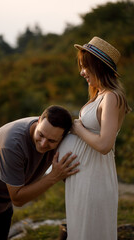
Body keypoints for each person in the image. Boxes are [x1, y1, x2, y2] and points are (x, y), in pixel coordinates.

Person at [57, 36, 131, 240]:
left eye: (85, 67)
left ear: (98, 66)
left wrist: (75, 127)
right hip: (83, 177)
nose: (81, 72)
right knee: (80, 230)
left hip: (94, 179)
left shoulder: (111, 97)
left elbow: (105, 144)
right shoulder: (100, 95)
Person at [0, 105, 80, 240]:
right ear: (39, 120)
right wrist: (53, 176)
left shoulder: (57, 135)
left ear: (62, 138)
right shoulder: (12, 144)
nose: (43, 144)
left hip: (1, 203)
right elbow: (18, 199)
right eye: (40, 135)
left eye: (51, 141)